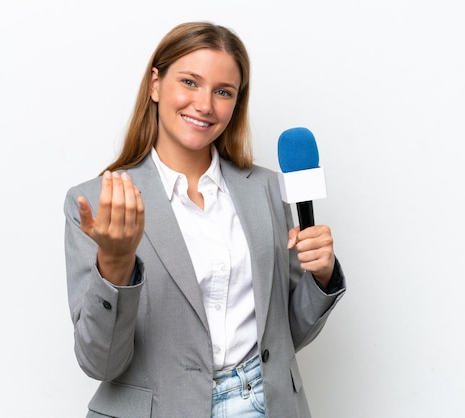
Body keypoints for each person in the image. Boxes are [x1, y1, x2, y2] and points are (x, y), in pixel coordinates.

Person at [64, 21, 346, 418]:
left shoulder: (265, 189)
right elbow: (101, 363)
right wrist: (115, 264)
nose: (204, 105)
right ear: (155, 84)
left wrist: (321, 278)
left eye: (222, 91)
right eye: (190, 82)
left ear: (236, 102)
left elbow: (285, 336)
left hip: (265, 404)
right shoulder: (97, 203)